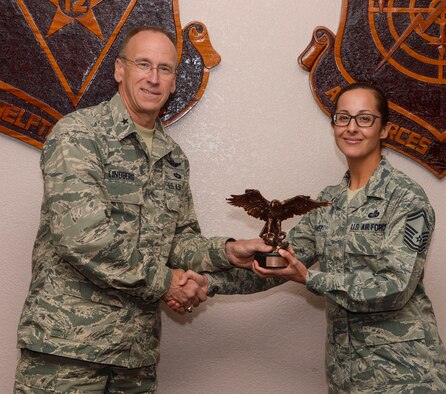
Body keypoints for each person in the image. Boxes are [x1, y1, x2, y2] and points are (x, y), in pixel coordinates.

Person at [14, 26, 271, 393]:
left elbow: (178, 242)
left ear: (173, 81)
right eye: (143, 64)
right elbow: (83, 237)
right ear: (120, 70)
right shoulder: (79, 134)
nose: (153, 78)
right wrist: (168, 283)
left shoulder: (173, 158)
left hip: (134, 356)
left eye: (165, 69)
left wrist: (226, 251)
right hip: (68, 351)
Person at [180, 83, 446, 393]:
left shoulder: (406, 199)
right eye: (343, 117)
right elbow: (281, 266)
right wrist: (208, 284)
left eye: (365, 118)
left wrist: (311, 278)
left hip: (406, 376)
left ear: (385, 129)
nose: (352, 128)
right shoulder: (327, 202)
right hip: (347, 375)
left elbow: (395, 288)